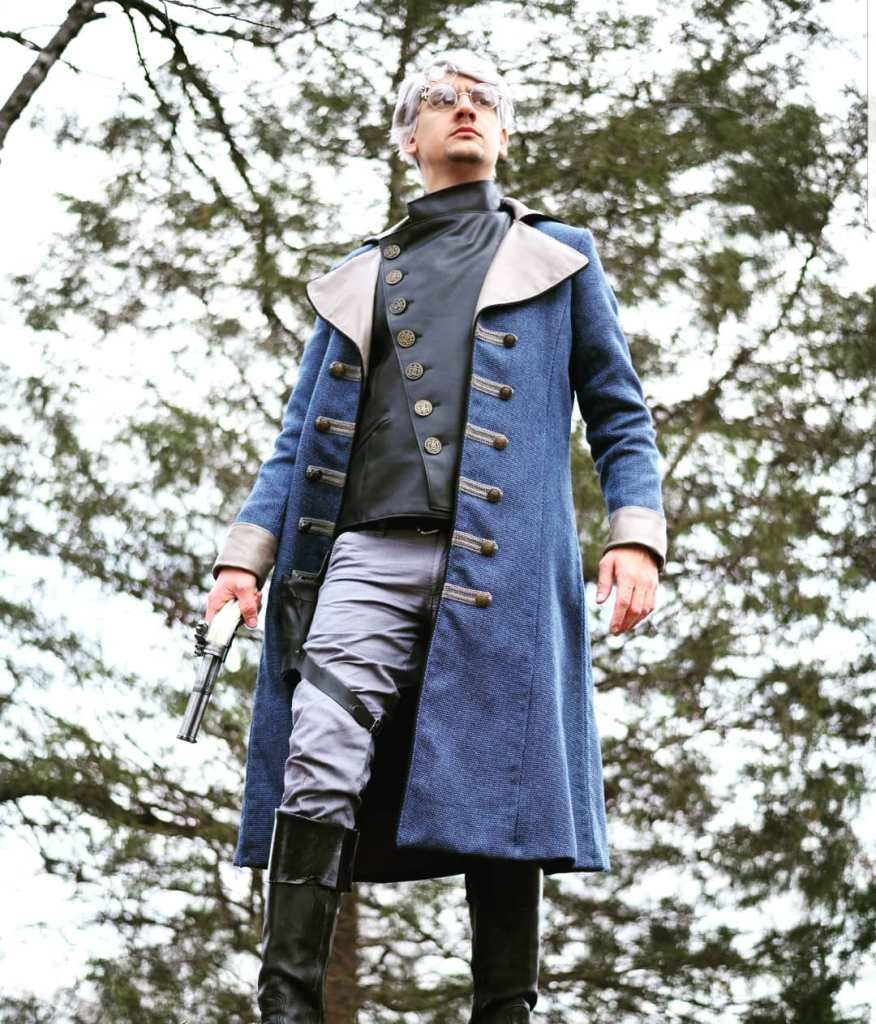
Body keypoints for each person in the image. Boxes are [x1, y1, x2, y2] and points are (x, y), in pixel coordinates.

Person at [206, 48, 668, 1024]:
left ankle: (506, 1012)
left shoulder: (562, 257)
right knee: (318, 750)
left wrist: (635, 535)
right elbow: (296, 442)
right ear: (407, 138)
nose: (465, 109)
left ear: (503, 133)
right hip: (364, 556)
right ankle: (285, 1010)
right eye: (442, 100)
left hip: (506, 564)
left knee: (501, 786)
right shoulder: (357, 278)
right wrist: (243, 560)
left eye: (483, 101)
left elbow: (620, 413)